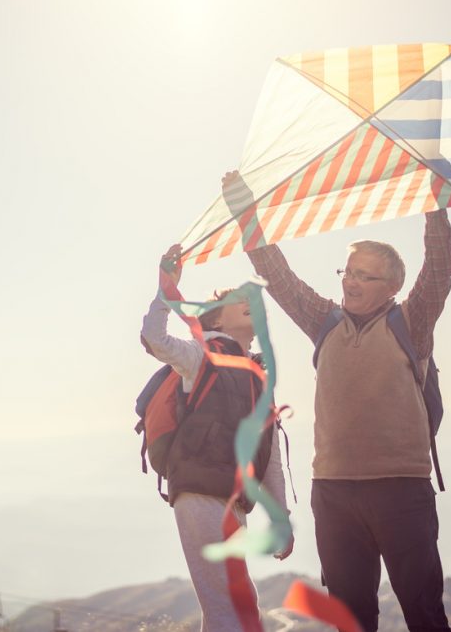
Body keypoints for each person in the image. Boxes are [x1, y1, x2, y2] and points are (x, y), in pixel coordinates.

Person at [225, 167, 451, 632]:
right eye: (348, 271)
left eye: (365, 277)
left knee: (424, 615)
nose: (350, 282)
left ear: (391, 288)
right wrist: (244, 212)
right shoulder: (324, 321)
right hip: (332, 493)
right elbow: (276, 272)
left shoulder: (410, 323)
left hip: (401, 490)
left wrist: (435, 206)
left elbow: (438, 275)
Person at [140, 243, 293, 632]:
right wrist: (166, 290)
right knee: (230, 605)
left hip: (232, 500)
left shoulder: (260, 379)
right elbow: (155, 339)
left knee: (229, 605)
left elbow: (270, 454)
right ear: (218, 323)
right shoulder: (200, 357)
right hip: (199, 493)